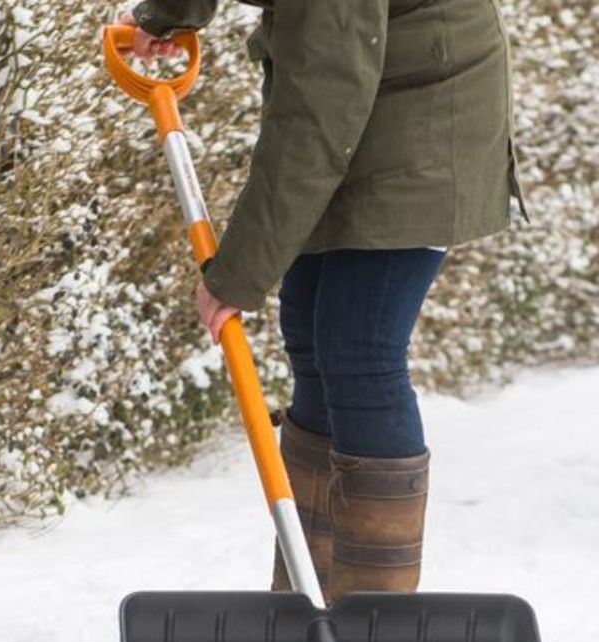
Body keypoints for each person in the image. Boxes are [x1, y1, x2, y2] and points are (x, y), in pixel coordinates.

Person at [123, 0, 522, 603]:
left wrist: (237, 273)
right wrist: (169, 14)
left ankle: (374, 616)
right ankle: (309, 601)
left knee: (359, 351)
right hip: (367, 99)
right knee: (312, 339)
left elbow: (319, 106)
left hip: (421, 116)